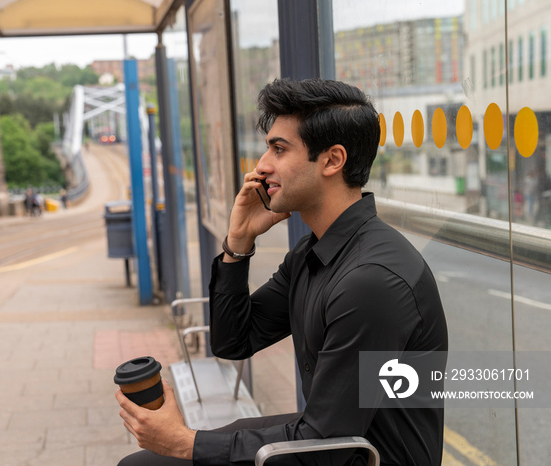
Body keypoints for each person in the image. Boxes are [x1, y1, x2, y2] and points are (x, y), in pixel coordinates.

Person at [116, 78, 448, 466]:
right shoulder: (315, 251)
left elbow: (324, 445)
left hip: (360, 455)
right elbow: (234, 341)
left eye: (279, 149)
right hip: (336, 440)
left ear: (332, 160)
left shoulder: (371, 281)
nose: (262, 166)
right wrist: (238, 242)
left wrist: (184, 442)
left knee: (151, 463)